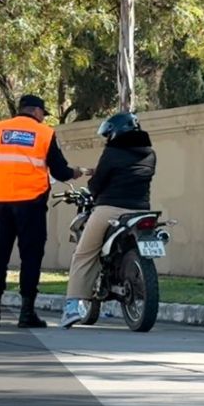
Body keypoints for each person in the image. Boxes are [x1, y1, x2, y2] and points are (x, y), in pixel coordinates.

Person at [0, 94, 85, 328]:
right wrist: (76, 172)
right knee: (31, 257)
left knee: (0, 257)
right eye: (42, 114)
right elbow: (61, 171)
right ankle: (27, 313)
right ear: (36, 111)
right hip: (31, 204)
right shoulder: (44, 134)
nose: (42, 118)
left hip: (1, 203)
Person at [59, 112, 156, 328]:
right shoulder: (150, 153)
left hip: (110, 210)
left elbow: (96, 185)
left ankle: (72, 307)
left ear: (117, 132)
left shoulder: (112, 152)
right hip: (141, 210)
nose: (108, 138)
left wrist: (93, 185)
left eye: (109, 134)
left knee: (84, 254)